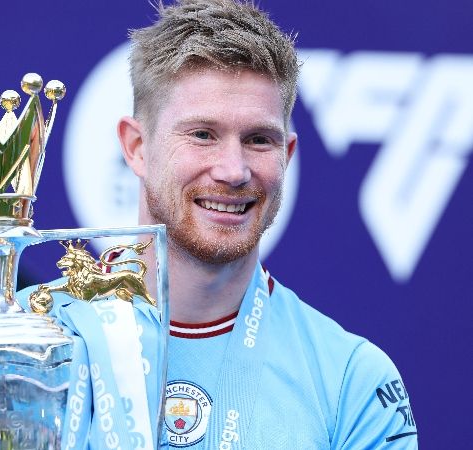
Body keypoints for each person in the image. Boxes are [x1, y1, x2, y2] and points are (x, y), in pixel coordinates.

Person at [113, 0, 418, 448]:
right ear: (137, 147)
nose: (233, 170)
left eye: (258, 140)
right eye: (203, 134)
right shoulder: (38, 338)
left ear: (287, 155)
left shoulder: (352, 381)